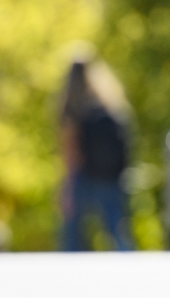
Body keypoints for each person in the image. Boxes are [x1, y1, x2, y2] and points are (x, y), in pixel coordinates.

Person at [58, 54, 134, 251]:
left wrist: (67, 185)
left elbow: (71, 150)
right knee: (116, 230)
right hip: (110, 176)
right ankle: (132, 270)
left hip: (85, 176)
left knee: (73, 232)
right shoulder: (108, 101)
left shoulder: (73, 105)